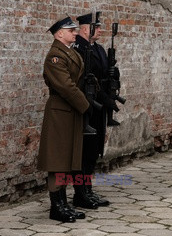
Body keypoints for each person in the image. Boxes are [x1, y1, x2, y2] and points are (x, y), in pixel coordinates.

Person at [37, 15, 90, 223]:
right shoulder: (55, 57)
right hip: (60, 111)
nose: (75, 33)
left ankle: (64, 203)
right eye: (71, 30)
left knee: (68, 159)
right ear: (59, 33)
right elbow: (66, 86)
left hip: (70, 111)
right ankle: (56, 206)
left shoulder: (69, 52)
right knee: (57, 160)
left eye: (75, 30)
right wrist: (85, 106)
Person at [72, 12, 116, 208]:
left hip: (99, 107)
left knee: (94, 150)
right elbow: (85, 78)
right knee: (84, 150)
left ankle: (87, 190)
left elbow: (103, 73)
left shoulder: (97, 48)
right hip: (87, 105)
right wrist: (104, 98)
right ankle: (80, 193)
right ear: (84, 28)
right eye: (96, 27)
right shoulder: (78, 49)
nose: (99, 30)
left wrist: (114, 72)